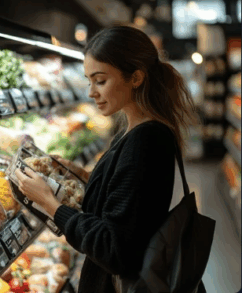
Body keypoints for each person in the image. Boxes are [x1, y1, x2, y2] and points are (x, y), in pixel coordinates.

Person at [15, 25, 197, 293]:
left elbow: (115, 249)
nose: (91, 92)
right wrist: (81, 175)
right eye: (89, 81)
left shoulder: (145, 142)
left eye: (100, 81)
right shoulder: (134, 131)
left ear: (136, 77)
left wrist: (51, 204)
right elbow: (129, 201)